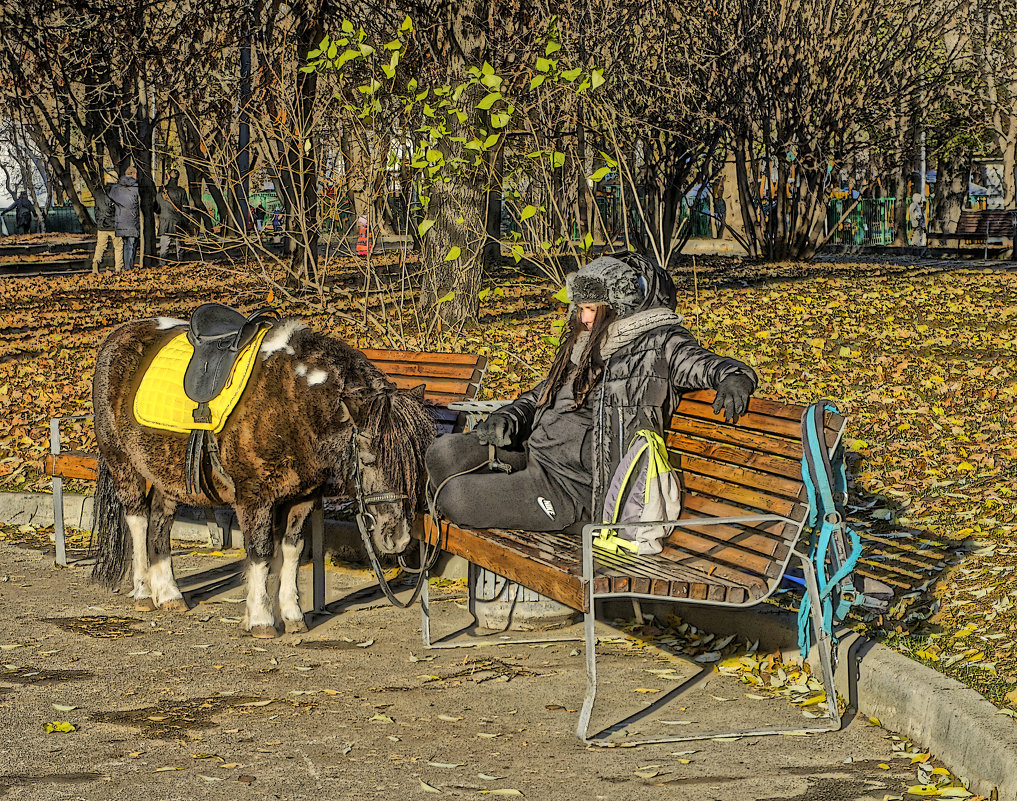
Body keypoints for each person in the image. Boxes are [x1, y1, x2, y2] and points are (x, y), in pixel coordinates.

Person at [425, 251, 758, 534]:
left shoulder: (661, 343)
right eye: (580, 308)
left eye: (589, 308)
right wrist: (510, 415)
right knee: (443, 453)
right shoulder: (589, 343)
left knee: (456, 498)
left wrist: (735, 377)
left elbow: (709, 365)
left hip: (575, 490)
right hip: (536, 458)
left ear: (618, 306)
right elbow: (547, 392)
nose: (581, 317)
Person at [109, 166, 141, 269]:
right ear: (134, 174)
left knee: (125, 245)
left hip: (120, 220)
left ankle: (126, 267)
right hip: (132, 221)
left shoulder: (116, 188)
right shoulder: (136, 188)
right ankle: (128, 268)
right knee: (131, 246)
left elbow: (110, 199)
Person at [90, 178, 123, 274]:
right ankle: (118, 268)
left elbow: (96, 209)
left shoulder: (99, 193)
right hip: (114, 225)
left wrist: (99, 221)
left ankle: (96, 262)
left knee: (100, 246)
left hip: (102, 225)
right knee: (118, 247)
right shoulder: (117, 193)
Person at [154, 169, 187, 260]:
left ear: (168, 177)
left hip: (165, 221)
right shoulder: (181, 191)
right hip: (178, 222)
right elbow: (185, 208)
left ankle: (163, 264)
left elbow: (156, 207)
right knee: (180, 246)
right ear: (178, 178)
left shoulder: (162, 191)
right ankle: (180, 262)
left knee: (164, 246)